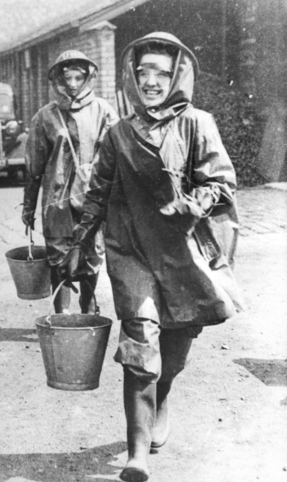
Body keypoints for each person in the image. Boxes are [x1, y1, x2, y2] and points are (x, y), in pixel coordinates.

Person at [59, 33, 244, 482]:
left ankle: (162, 399)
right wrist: (78, 243)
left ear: (177, 76)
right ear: (131, 77)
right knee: (141, 341)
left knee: (176, 348)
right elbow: (98, 191)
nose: (151, 81)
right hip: (132, 250)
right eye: (143, 72)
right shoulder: (120, 133)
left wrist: (195, 202)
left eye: (161, 72)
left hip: (183, 251)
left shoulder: (198, 123)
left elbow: (222, 182)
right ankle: (136, 454)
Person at [22, 50, 118, 314]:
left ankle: (88, 304)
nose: (73, 84)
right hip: (57, 202)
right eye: (68, 78)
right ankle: (61, 314)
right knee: (58, 255)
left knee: (91, 254)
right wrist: (28, 207)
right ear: (58, 80)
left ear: (89, 79)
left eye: (79, 77)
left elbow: (116, 158)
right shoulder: (45, 117)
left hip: (92, 199)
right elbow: (33, 167)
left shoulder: (104, 112)